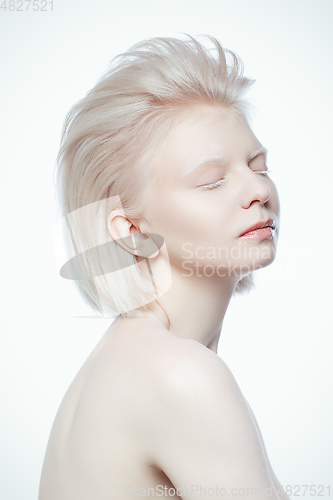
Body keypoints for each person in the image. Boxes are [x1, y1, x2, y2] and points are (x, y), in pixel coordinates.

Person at [39, 35, 290, 499]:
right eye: (212, 181)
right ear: (131, 231)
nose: (258, 190)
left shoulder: (127, 359)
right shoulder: (179, 374)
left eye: (259, 165)